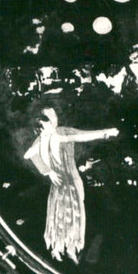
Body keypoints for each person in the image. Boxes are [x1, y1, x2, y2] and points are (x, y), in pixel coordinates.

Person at [24, 108, 119, 263]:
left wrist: (104, 133)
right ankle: (58, 248)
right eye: (49, 117)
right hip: (62, 182)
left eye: (53, 115)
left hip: (69, 179)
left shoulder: (59, 132)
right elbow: (29, 155)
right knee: (62, 213)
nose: (53, 119)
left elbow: (81, 136)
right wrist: (47, 172)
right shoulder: (48, 137)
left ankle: (69, 248)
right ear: (42, 123)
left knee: (72, 213)